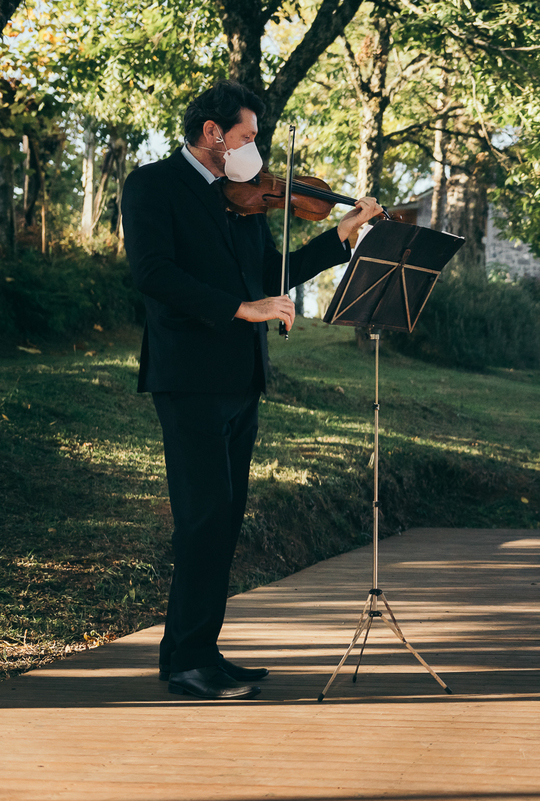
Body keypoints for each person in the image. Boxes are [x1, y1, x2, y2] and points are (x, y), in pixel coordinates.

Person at [122, 79, 383, 700]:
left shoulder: (242, 199)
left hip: (242, 377)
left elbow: (271, 273)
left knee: (225, 516)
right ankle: (188, 660)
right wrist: (240, 309)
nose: (254, 147)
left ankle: (195, 649)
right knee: (202, 516)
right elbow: (154, 275)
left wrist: (340, 238)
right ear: (213, 133)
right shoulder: (153, 185)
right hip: (187, 377)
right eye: (247, 135)